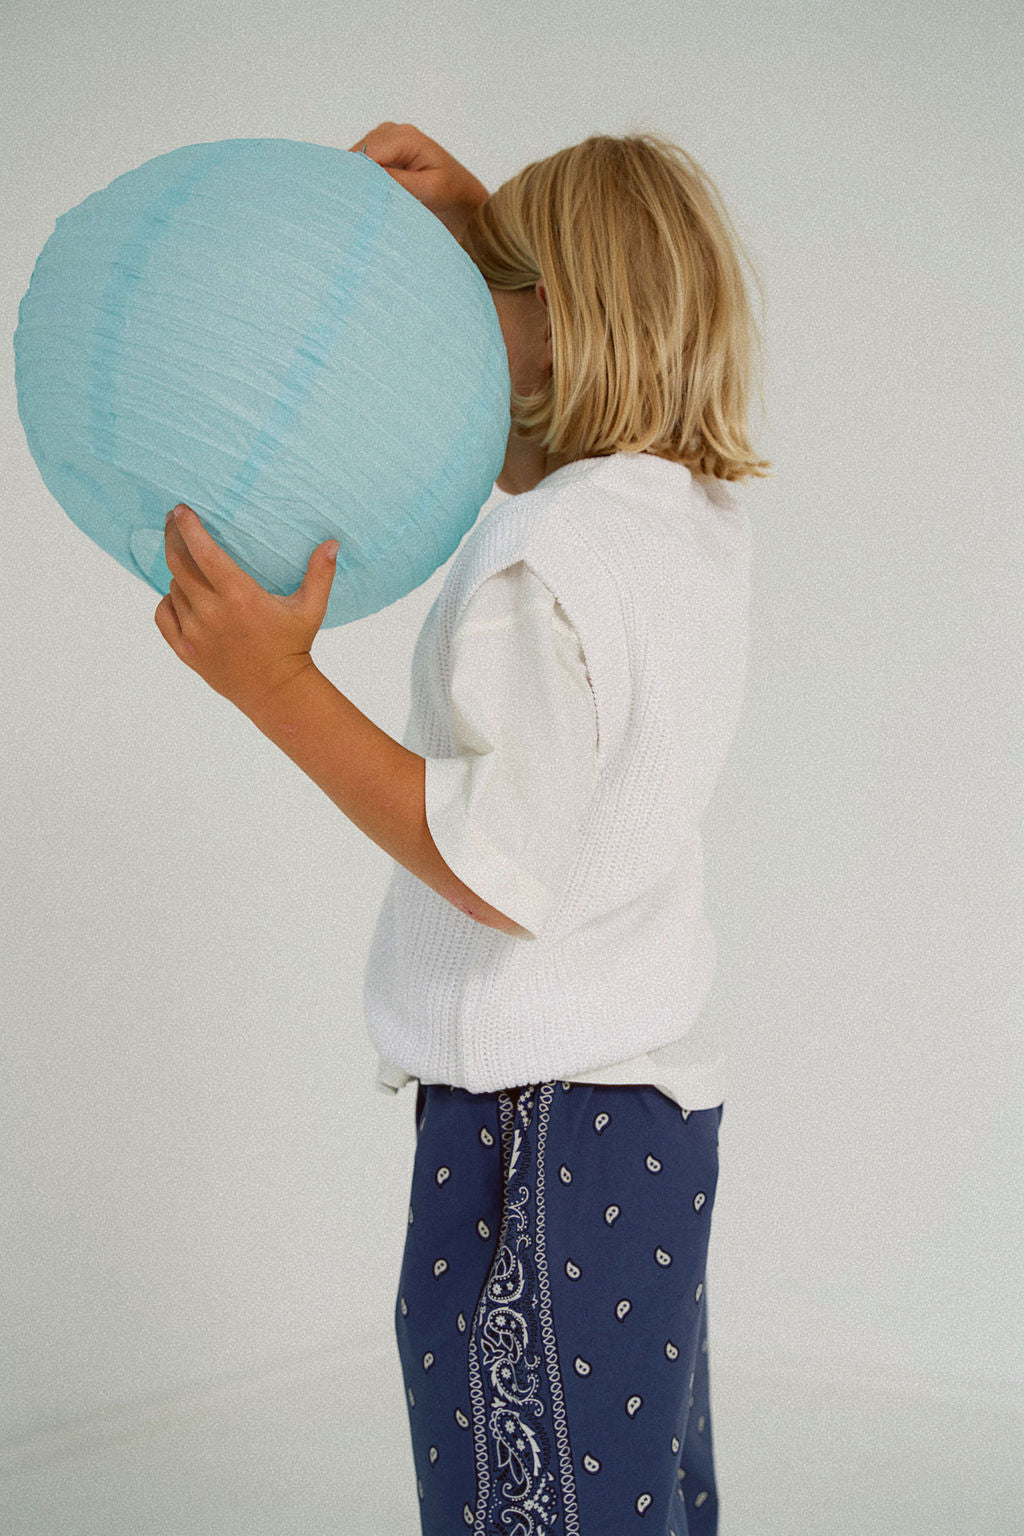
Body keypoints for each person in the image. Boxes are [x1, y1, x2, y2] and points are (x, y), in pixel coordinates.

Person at [345, 122, 772, 1536]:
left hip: (536, 1130)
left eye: (490, 294)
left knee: (521, 1493)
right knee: (628, 1493)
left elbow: (492, 867)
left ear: (559, 320)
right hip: (642, 1111)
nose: (461, 330)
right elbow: (573, 394)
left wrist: (268, 683)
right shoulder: (689, 515)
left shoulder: (545, 559)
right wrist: (491, 229)